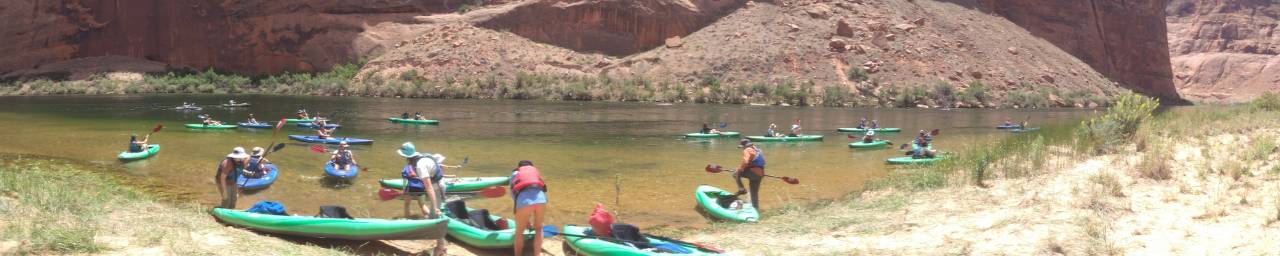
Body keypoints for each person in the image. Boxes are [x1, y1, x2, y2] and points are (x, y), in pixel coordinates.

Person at [397, 142, 447, 256]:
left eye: (403, 156)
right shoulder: (423, 156)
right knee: (431, 217)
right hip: (437, 184)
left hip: (437, 188)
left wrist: (435, 207)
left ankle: (440, 248)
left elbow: (429, 187)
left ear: (407, 157)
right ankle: (441, 244)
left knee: (434, 218)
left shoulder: (420, 165)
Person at [509, 160, 547, 256]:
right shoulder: (535, 172)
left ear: (519, 167)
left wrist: (525, 220)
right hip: (541, 199)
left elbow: (515, 195)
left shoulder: (515, 173)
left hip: (524, 201)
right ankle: (537, 254)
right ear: (531, 167)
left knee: (519, 231)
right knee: (539, 228)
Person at [735, 139, 765, 210]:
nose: (742, 148)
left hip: (753, 172)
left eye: (742, 147)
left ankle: (741, 189)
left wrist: (740, 169)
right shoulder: (758, 150)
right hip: (760, 174)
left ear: (744, 146)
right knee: (754, 193)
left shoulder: (747, 150)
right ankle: (755, 209)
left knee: (735, 172)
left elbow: (745, 161)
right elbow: (761, 162)